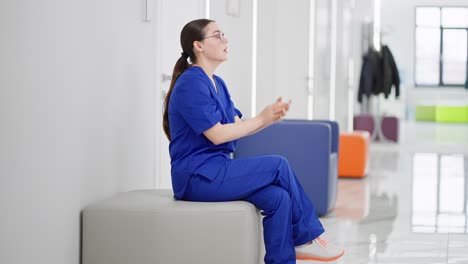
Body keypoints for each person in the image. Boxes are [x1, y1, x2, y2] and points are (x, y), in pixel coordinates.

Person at [163, 18, 344, 264]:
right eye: (217, 36)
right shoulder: (190, 83)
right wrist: (261, 118)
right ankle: (305, 237)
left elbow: (236, 126)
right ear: (198, 46)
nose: (225, 40)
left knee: (279, 198)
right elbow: (216, 134)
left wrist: (268, 118)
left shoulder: (217, 83)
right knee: (278, 165)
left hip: (217, 170)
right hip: (196, 177)